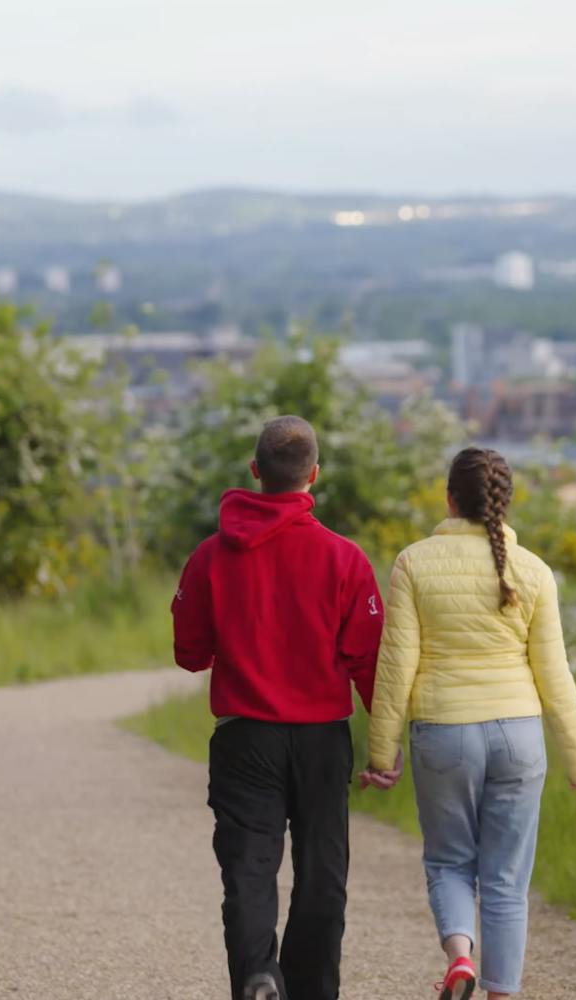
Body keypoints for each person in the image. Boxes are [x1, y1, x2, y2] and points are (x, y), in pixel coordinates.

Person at [172, 415, 394, 1000]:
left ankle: (259, 977)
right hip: (322, 739)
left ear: (255, 471)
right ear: (313, 475)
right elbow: (369, 660)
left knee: (248, 869)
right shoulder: (345, 559)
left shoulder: (209, 558)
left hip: (244, 738)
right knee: (322, 872)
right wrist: (386, 744)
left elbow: (189, 654)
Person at [363, 446, 576, 1000]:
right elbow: (554, 673)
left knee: (449, 861)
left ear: (449, 499)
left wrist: (381, 753)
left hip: (444, 734)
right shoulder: (534, 571)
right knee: (506, 880)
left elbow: (396, 666)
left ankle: (460, 957)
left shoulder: (413, 563)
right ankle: (500, 993)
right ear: (504, 503)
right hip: (519, 736)